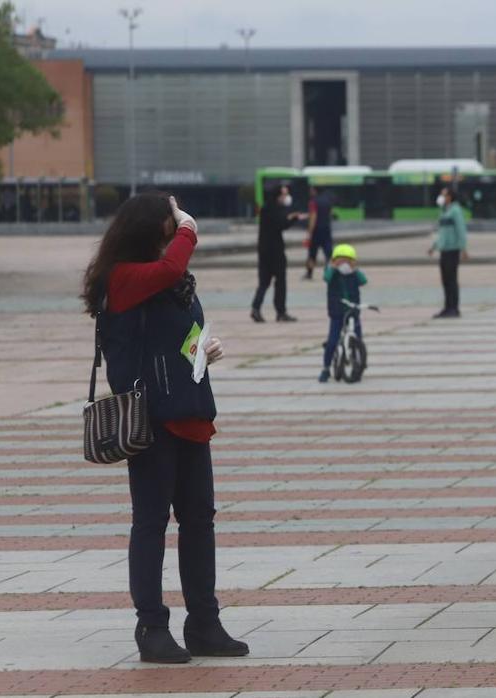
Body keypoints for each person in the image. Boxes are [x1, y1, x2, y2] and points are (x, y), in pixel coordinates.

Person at [79, 193, 248, 664]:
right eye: (169, 227)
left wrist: (203, 349)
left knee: (199, 521)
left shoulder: (170, 281)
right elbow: (172, 268)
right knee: (151, 523)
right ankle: (152, 627)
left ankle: (204, 624)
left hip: (190, 410)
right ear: (148, 229)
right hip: (151, 420)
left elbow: (172, 330)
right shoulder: (124, 277)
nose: (174, 235)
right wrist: (190, 225)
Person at [251, 184, 305, 323]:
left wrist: (290, 216)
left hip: (264, 250)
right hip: (275, 251)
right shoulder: (273, 208)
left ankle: (256, 308)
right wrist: (294, 218)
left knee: (264, 282)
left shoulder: (266, 208)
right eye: (283, 194)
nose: (286, 197)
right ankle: (281, 312)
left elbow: (280, 220)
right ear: (277, 196)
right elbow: (282, 224)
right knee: (280, 281)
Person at [320, 243, 368, 383]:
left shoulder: (354, 274)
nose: (344, 264)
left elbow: (364, 281)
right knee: (333, 340)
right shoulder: (332, 273)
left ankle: (359, 362)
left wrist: (354, 269)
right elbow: (326, 278)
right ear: (334, 261)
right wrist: (333, 267)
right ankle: (326, 368)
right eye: (341, 260)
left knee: (358, 338)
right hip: (337, 311)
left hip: (353, 311)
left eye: (348, 260)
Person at [429, 187, 468, 318]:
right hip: (444, 250)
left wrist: (463, 248)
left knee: (452, 280)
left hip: (453, 249)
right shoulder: (444, 211)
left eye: (444, 195)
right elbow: (441, 232)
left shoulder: (456, 210)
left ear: (450, 197)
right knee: (445, 280)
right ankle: (447, 307)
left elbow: (461, 230)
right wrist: (433, 247)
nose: (441, 197)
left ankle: (454, 308)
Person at [304, 185, 335, 280]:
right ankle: (329, 271)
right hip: (326, 229)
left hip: (316, 230)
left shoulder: (313, 202)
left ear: (315, 191)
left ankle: (309, 273)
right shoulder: (328, 201)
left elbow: (313, 217)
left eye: (311, 190)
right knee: (328, 253)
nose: (310, 191)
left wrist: (309, 232)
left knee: (312, 253)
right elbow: (331, 214)